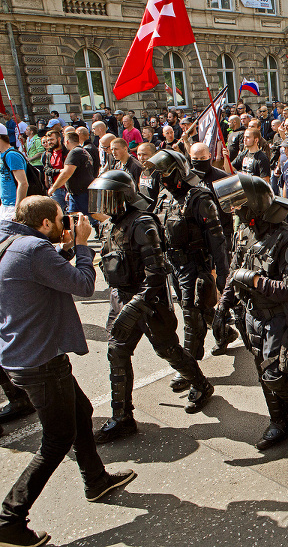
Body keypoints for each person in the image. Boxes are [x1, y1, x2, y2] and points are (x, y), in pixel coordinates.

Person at [0, 197, 137, 547]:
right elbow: (83, 284)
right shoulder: (34, 249)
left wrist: (60, 251)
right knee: (57, 438)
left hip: (24, 352)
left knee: (82, 411)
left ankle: (96, 479)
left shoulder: (11, 240)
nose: (65, 223)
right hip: (40, 359)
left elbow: (36, 273)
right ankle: (9, 518)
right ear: (45, 224)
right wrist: (81, 245)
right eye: (61, 219)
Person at [89, 170, 215, 443]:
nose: (103, 205)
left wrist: (135, 307)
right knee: (117, 352)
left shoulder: (142, 223)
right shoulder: (110, 224)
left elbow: (157, 273)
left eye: (108, 198)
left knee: (167, 349)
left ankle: (202, 384)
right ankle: (122, 418)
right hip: (121, 297)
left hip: (149, 302)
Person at [212, 173, 288, 450]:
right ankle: (278, 422)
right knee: (263, 372)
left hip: (278, 316)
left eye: (241, 205)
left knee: (275, 374)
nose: (236, 211)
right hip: (251, 314)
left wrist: (254, 279)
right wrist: (223, 305)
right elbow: (232, 272)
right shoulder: (243, 233)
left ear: (256, 206)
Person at [148, 149, 230, 391]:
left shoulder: (200, 198)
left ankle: (189, 370)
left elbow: (217, 238)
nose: (161, 177)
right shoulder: (164, 196)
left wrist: (222, 273)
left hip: (196, 264)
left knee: (190, 314)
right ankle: (224, 331)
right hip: (174, 264)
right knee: (199, 308)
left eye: (165, 172)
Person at [46, 131, 95, 223]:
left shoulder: (74, 152)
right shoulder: (83, 151)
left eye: (64, 141)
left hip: (81, 191)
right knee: (73, 214)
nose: (64, 144)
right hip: (77, 191)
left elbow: (66, 173)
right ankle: (76, 235)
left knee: (94, 215)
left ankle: (108, 226)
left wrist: (54, 187)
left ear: (67, 141)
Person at [0, 128, 27, 221]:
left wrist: (17, 210)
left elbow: (23, 183)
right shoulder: (2, 155)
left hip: (13, 206)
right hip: (5, 205)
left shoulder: (12, 155)